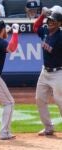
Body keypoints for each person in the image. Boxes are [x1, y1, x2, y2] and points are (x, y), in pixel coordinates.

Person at [33, 6, 62, 136]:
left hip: (58, 73)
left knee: (59, 100)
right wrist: (42, 15)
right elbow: (35, 27)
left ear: (60, 23)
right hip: (45, 72)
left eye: (53, 21)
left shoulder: (61, 37)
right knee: (39, 99)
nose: (50, 23)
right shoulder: (44, 31)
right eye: (49, 20)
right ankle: (48, 127)